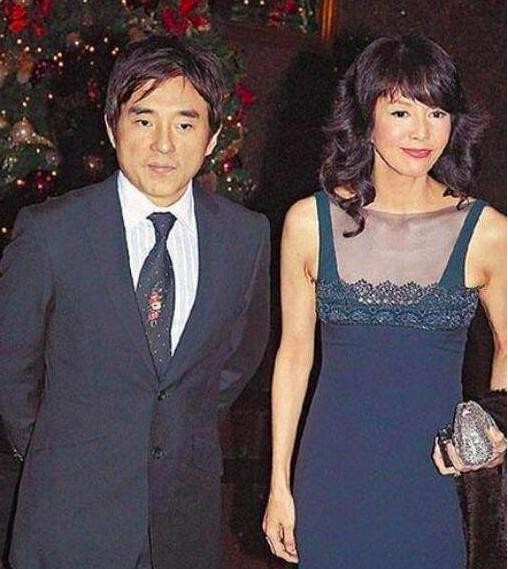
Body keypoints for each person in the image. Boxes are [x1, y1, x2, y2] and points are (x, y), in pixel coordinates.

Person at [0, 35, 270, 569]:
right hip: (68, 518)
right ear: (112, 127)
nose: (163, 145)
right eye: (144, 120)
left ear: (213, 137)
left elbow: (238, 359)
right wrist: (61, 451)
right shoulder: (51, 233)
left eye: (185, 124)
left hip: (184, 523)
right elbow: (12, 369)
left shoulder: (245, 237)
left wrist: (176, 427)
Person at [263, 34, 506, 568]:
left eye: (437, 112)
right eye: (401, 112)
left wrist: (494, 424)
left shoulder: (487, 231)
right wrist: (279, 483)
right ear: (365, 118)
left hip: (436, 482)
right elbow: (294, 354)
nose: (422, 132)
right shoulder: (309, 222)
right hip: (331, 478)